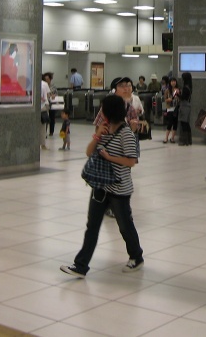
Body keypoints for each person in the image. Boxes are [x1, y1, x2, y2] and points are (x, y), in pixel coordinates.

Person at [60, 94, 144, 278]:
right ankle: (81, 265)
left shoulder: (126, 133)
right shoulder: (103, 130)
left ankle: (137, 256)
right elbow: (89, 152)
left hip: (119, 189)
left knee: (125, 226)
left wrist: (110, 157)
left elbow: (131, 161)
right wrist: (97, 135)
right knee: (92, 226)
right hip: (100, 186)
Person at [178, 72, 193, 146]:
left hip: (184, 106)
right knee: (186, 123)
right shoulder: (189, 87)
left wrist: (177, 94)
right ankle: (188, 140)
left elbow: (183, 97)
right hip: (188, 105)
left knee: (183, 123)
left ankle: (184, 140)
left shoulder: (185, 88)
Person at [162, 76, 177, 143]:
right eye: (172, 81)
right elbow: (165, 99)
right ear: (170, 82)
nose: (173, 83)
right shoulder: (167, 90)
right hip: (170, 108)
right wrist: (169, 99)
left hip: (176, 108)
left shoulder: (177, 90)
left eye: (174, 81)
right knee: (170, 123)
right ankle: (166, 138)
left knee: (175, 123)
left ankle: (172, 138)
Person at [40, 72, 53, 149]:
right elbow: (48, 95)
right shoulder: (45, 84)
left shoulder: (32, 83)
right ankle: (43, 144)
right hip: (44, 106)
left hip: (34, 106)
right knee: (43, 125)